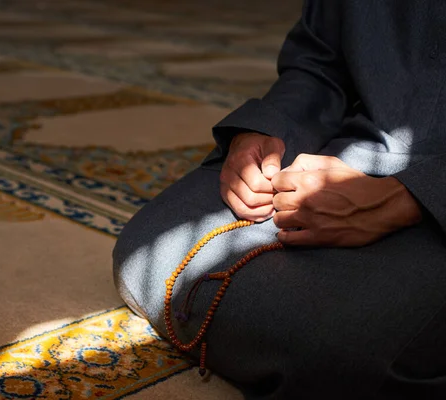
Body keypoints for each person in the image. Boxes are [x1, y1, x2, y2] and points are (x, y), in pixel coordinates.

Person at [113, 0, 446, 398]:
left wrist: (410, 196)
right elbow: (320, 65)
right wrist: (265, 131)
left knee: (341, 351)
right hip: (356, 153)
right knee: (145, 255)